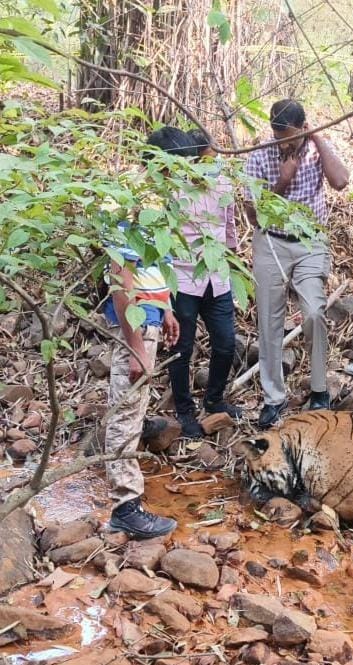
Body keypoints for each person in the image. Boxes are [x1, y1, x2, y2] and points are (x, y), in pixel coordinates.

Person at [244, 99, 349, 429]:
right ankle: (273, 397)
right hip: (270, 240)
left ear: (304, 128)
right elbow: (253, 213)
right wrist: (283, 181)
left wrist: (317, 140)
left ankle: (319, 390)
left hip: (309, 242)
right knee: (269, 319)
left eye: (288, 134)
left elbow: (342, 181)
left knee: (314, 312)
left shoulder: (318, 148)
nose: (282, 141)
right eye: (277, 133)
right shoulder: (261, 155)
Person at [103, 128, 184, 538]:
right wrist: (136, 345)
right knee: (125, 411)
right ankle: (125, 506)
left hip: (150, 316)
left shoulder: (157, 205)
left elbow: (155, 266)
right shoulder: (130, 205)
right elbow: (121, 278)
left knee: (131, 408)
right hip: (135, 322)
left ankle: (127, 499)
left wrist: (166, 308)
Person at [157, 126, 242, 438]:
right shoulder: (172, 187)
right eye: (206, 158)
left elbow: (229, 222)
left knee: (226, 342)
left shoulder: (223, 180)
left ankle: (215, 399)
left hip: (217, 276)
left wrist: (233, 260)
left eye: (214, 157)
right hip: (183, 278)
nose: (212, 163)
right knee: (182, 347)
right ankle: (184, 410)